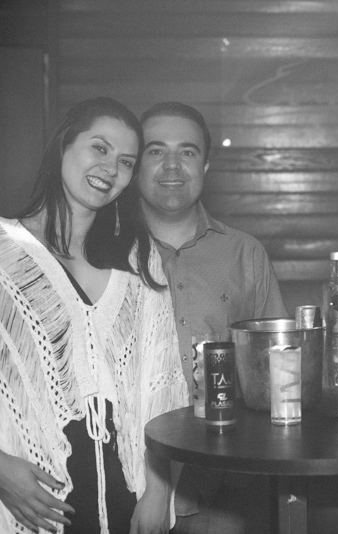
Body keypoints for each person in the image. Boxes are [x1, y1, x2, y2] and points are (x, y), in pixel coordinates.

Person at [0, 97, 188, 534]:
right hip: (31, 503)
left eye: (126, 162)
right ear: (64, 144)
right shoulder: (5, 253)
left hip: (128, 502)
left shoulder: (138, 261)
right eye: (99, 148)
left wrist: (158, 492)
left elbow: (163, 388)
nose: (110, 168)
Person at [136, 101, 287, 533]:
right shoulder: (102, 253)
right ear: (135, 164)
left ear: (205, 165)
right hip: (127, 476)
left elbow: (279, 372)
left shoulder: (245, 253)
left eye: (187, 151)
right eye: (155, 150)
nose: (172, 165)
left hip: (224, 484)